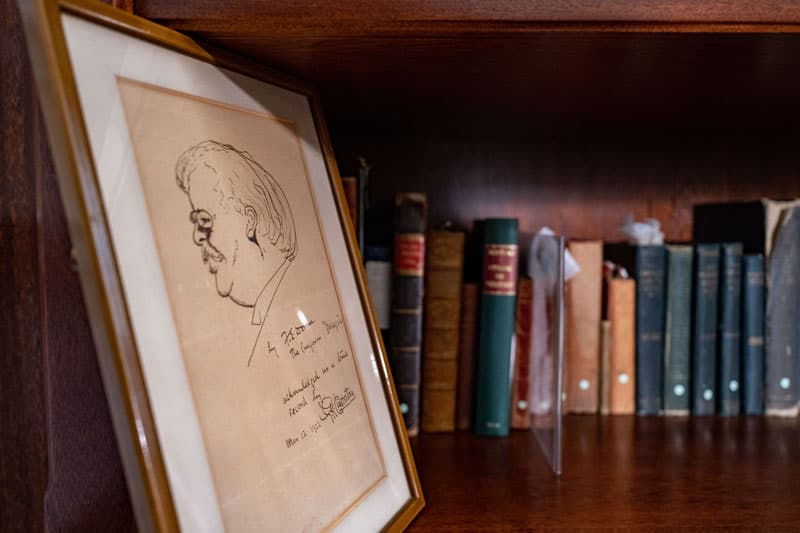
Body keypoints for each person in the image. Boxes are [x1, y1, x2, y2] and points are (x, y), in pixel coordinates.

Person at [175, 140, 297, 362]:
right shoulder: (266, 312)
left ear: (249, 221)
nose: (197, 236)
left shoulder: (296, 305)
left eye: (205, 219)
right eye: (195, 221)